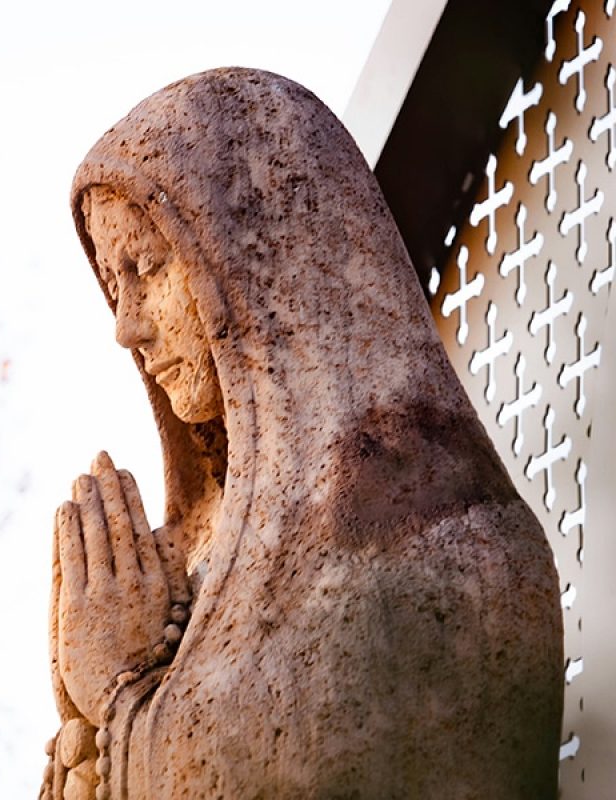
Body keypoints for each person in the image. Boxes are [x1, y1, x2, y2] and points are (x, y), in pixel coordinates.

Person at [41, 68, 563, 800]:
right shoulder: (185, 580)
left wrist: (123, 699)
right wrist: (86, 717)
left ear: (262, 257)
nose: (126, 326)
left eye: (149, 267)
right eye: (112, 281)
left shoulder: (459, 541)